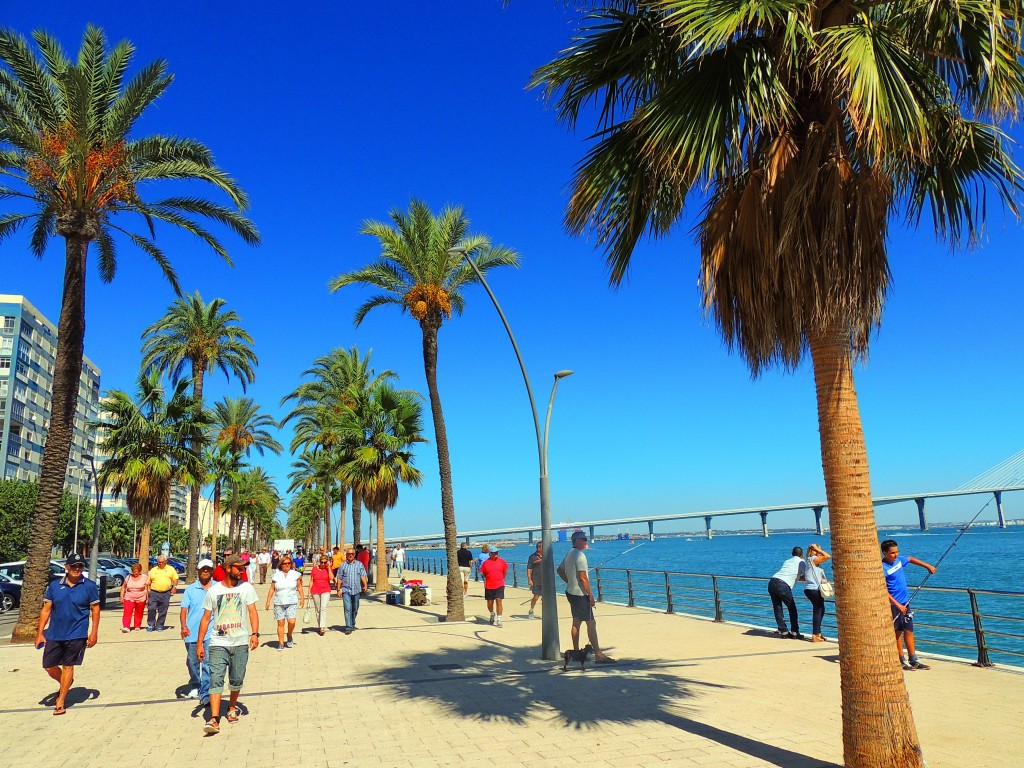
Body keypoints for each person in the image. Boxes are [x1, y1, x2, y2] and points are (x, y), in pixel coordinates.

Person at [196, 554, 259, 735]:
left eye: (243, 567)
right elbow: (205, 619)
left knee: (237, 678)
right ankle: (214, 719)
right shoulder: (214, 592)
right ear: (228, 568)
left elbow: (253, 612)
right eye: (239, 567)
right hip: (218, 642)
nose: (242, 570)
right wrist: (200, 644)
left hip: (240, 642)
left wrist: (254, 633)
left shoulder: (246, 588)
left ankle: (231, 706)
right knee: (216, 678)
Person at [34, 553, 100, 716]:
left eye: (80, 566)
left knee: (68, 666)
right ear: (67, 568)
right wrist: (39, 632)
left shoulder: (89, 586)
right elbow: (46, 610)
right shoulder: (55, 586)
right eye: (73, 566)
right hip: (55, 634)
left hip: (77, 633)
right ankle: (66, 681)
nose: (77, 569)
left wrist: (94, 633)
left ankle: (61, 700)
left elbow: (96, 610)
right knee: (48, 666)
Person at [557, 531, 614, 663]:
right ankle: (599, 655)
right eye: (584, 539)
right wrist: (591, 596)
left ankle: (576, 652)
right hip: (580, 594)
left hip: (571, 592)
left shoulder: (569, 553)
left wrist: (570, 581)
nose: (586, 541)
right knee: (591, 623)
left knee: (576, 622)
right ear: (577, 540)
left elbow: (559, 570)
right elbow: (583, 577)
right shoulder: (580, 556)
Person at [882, 539, 937, 671]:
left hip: (905, 602)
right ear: (884, 553)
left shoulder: (900, 560)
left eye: (897, 552)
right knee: (897, 632)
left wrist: (927, 566)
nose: (895, 555)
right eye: (892, 553)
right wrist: (896, 604)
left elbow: (911, 559)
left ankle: (913, 659)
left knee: (909, 630)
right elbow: (883, 590)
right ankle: (900, 660)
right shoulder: (882, 567)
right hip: (893, 605)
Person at [180, 559, 215, 705]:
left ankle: (205, 692)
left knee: (207, 662)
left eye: (208, 569)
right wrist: (183, 626)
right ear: (198, 571)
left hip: (211, 632)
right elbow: (183, 610)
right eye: (203, 569)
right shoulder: (190, 589)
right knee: (192, 662)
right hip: (192, 632)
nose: (205, 571)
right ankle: (195, 684)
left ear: (212, 571)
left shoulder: (218, 587)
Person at [266, 554, 304, 649]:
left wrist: (302, 598)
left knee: (291, 621)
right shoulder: (276, 575)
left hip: (291, 601)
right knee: (281, 623)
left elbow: (299, 587)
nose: (287, 565)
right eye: (285, 563)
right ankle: (281, 643)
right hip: (279, 601)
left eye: (289, 563)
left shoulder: (295, 574)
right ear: (281, 565)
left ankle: (289, 635)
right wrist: (268, 601)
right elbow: (272, 589)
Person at [768, 547, 806, 639]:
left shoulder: (787, 561)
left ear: (792, 554)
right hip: (783, 585)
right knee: (792, 608)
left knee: (777, 607)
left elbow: (789, 573)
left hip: (772, 582)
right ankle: (795, 632)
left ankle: (783, 631)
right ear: (802, 554)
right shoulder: (802, 562)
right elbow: (805, 576)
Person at [335, 547, 368, 634]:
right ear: (346, 555)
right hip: (346, 590)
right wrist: (338, 589)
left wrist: (365, 585)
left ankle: (352, 622)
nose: (350, 555)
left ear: (354, 555)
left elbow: (363, 575)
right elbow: (339, 578)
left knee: (355, 608)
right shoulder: (343, 565)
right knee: (347, 608)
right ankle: (348, 626)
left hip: (357, 590)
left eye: (352, 554)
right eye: (349, 554)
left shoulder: (359, 564)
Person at [802, 543, 831, 642]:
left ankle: (818, 633)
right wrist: (817, 549)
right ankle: (815, 635)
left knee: (821, 610)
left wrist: (823, 580)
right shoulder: (812, 559)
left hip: (814, 589)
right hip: (812, 589)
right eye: (817, 550)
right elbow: (827, 556)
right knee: (818, 610)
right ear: (812, 551)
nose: (819, 552)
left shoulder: (816, 564)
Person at [147, 553, 179, 631]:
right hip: (154, 592)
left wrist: (174, 587)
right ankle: (151, 624)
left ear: (166, 561)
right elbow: (148, 581)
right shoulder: (153, 570)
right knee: (151, 608)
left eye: (162, 562)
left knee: (163, 610)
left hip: (166, 593)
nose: (160, 564)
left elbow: (175, 579)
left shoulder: (170, 569)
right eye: (159, 562)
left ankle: (159, 625)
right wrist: (148, 591)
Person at [479, 546, 508, 627]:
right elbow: (483, 573)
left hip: (499, 584)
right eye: (494, 553)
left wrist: (501, 579)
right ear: (490, 554)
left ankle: (499, 619)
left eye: (497, 552)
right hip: (489, 585)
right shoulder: (485, 563)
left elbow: (505, 572)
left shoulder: (502, 561)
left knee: (499, 601)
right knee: (490, 603)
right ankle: (492, 614)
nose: (496, 554)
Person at [308, 554, 334, 636]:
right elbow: (311, 581)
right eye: (321, 562)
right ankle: (320, 625)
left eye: (325, 562)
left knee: (323, 608)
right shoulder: (314, 569)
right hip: (315, 590)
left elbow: (331, 578)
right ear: (319, 562)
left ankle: (322, 627)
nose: (323, 564)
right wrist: (309, 592)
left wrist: (329, 567)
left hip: (325, 590)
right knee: (318, 609)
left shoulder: (328, 569)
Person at [119, 561, 148, 632]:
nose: (135, 573)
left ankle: (137, 625)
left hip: (141, 597)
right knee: (127, 612)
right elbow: (123, 587)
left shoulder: (144, 577)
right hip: (129, 596)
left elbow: (147, 588)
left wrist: (148, 597)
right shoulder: (128, 577)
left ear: (140, 571)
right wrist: (121, 596)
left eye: (136, 572)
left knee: (139, 612)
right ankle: (126, 626)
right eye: (133, 572)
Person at [526, 541, 543, 619]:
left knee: (546, 598)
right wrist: (529, 579)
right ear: (539, 547)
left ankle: (546, 613)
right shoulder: (532, 557)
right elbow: (529, 569)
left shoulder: (546, 556)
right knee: (536, 597)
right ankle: (531, 610)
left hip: (546, 581)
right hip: (536, 580)